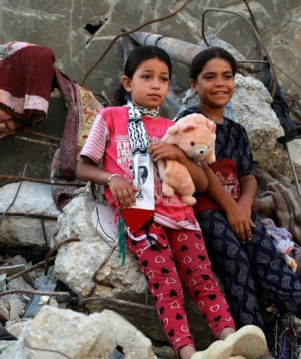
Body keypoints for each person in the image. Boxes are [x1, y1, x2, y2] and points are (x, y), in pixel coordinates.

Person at [76, 45, 267, 359]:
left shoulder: (173, 127)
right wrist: (113, 179)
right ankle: (189, 352)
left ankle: (230, 341)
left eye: (163, 79)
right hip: (139, 214)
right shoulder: (110, 117)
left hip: (181, 213)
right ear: (128, 83)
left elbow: (204, 181)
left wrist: (179, 154)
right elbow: (82, 166)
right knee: (166, 282)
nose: (156, 85)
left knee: (202, 278)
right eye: (147, 77)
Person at [176, 47, 301, 353]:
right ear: (194, 85)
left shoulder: (236, 131)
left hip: (237, 209)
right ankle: (254, 341)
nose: (220, 83)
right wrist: (233, 209)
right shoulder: (188, 122)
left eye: (227, 76)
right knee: (235, 260)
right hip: (205, 211)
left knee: (264, 249)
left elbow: (248, 176)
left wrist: (245, 206)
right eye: (210, 77)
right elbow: (200, 167)